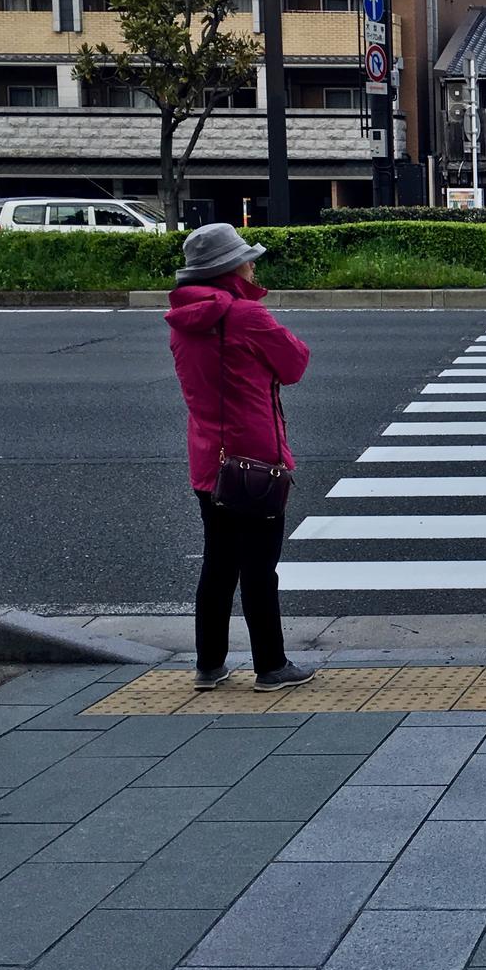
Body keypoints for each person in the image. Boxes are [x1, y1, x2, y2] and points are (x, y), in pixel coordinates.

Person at [166, 223, 316, 692]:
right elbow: (294, 365)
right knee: (258, 566)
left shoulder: (182, 321)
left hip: (208, 457)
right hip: (256, 458)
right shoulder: (248, 316)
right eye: (247, 259)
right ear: (230, 269)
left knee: (218, 563)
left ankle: (209, 665)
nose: (254, 265)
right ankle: (271, 666)